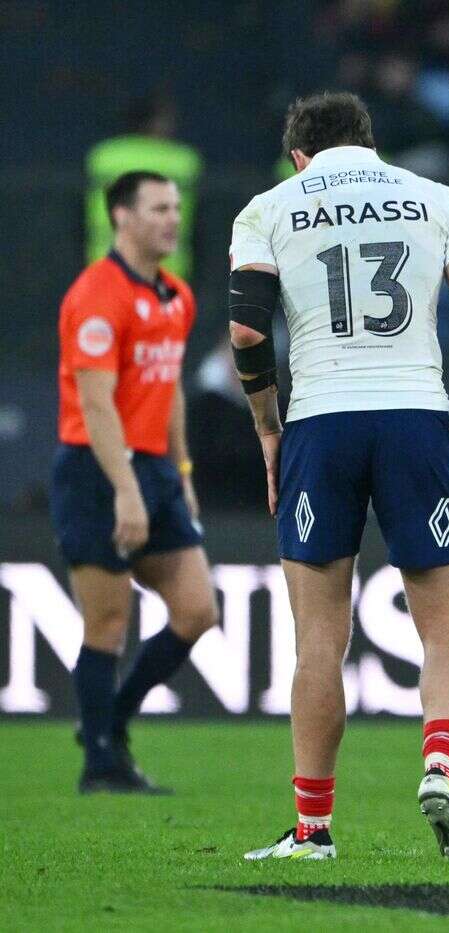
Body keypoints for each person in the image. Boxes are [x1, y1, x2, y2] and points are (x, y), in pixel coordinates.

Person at [231, 92, 449, 860]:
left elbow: (250, 329)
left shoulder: (268, 208)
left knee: (318, 641)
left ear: (300, 157)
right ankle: (439, 763)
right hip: (416, 418)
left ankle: (314, 829)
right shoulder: (433, 199)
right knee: (448, 631)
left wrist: (267, 427)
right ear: (371, 143)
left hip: (320, 421)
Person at [54, 170, 218, 794]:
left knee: (198, 610)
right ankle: (101, 764)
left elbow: (168, 384)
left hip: (154, 467)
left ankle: (110, 718)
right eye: (158, 208)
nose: (173, 219)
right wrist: (124, 488)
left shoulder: (176, 294)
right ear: (121, 217)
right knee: (107, 623)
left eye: (176, 207)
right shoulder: (97, 296)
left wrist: (180, 470)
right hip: (97, 469)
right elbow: (96, 406)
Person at [86, 96, 202, 279]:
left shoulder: (102, 157)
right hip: (166, 268)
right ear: (157, 122)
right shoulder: (183, 160)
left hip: (107, 263)